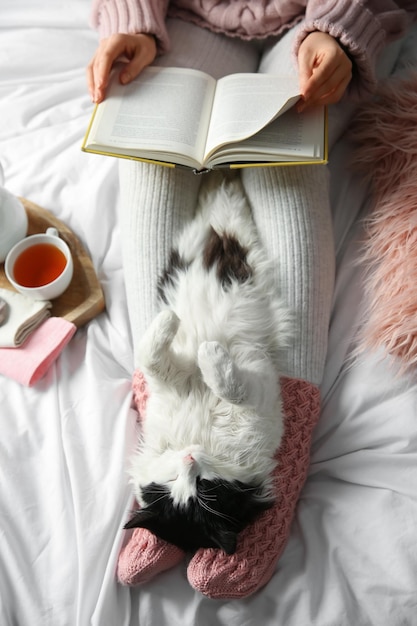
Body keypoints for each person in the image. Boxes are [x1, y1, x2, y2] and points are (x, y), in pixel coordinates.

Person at [87, 1, 417, 599]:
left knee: (281, 164)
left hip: (320, 19)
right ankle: (167, 439)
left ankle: (274, 456)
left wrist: (344, 30)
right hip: (186, 17)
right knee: (152, 160)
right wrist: (128, 20)